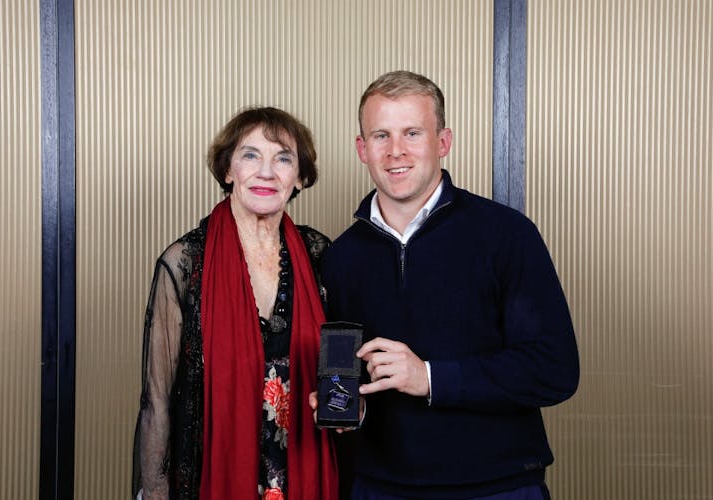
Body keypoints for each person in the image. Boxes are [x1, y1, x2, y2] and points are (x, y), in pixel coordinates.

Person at [319, 71, 579, 499]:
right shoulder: (340, 257)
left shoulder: (507, 235)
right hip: (379, 488)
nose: (396, 151)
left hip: (497, 487)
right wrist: (352, 410)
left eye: (413, 133)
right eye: (381, 135)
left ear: (443, 142)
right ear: (362, 149)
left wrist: (429, 377)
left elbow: (555, 371)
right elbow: (346, 375)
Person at [132, 106, 338, 500]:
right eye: (250, 155)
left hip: (301, 474)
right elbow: (156, 399)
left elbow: (345, 369)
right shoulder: (185, 263)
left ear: (299, 177)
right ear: (228, 171)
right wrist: (155, 492)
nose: (266, 171)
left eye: (283, 158)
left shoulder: (320, 257)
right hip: (211, 479)